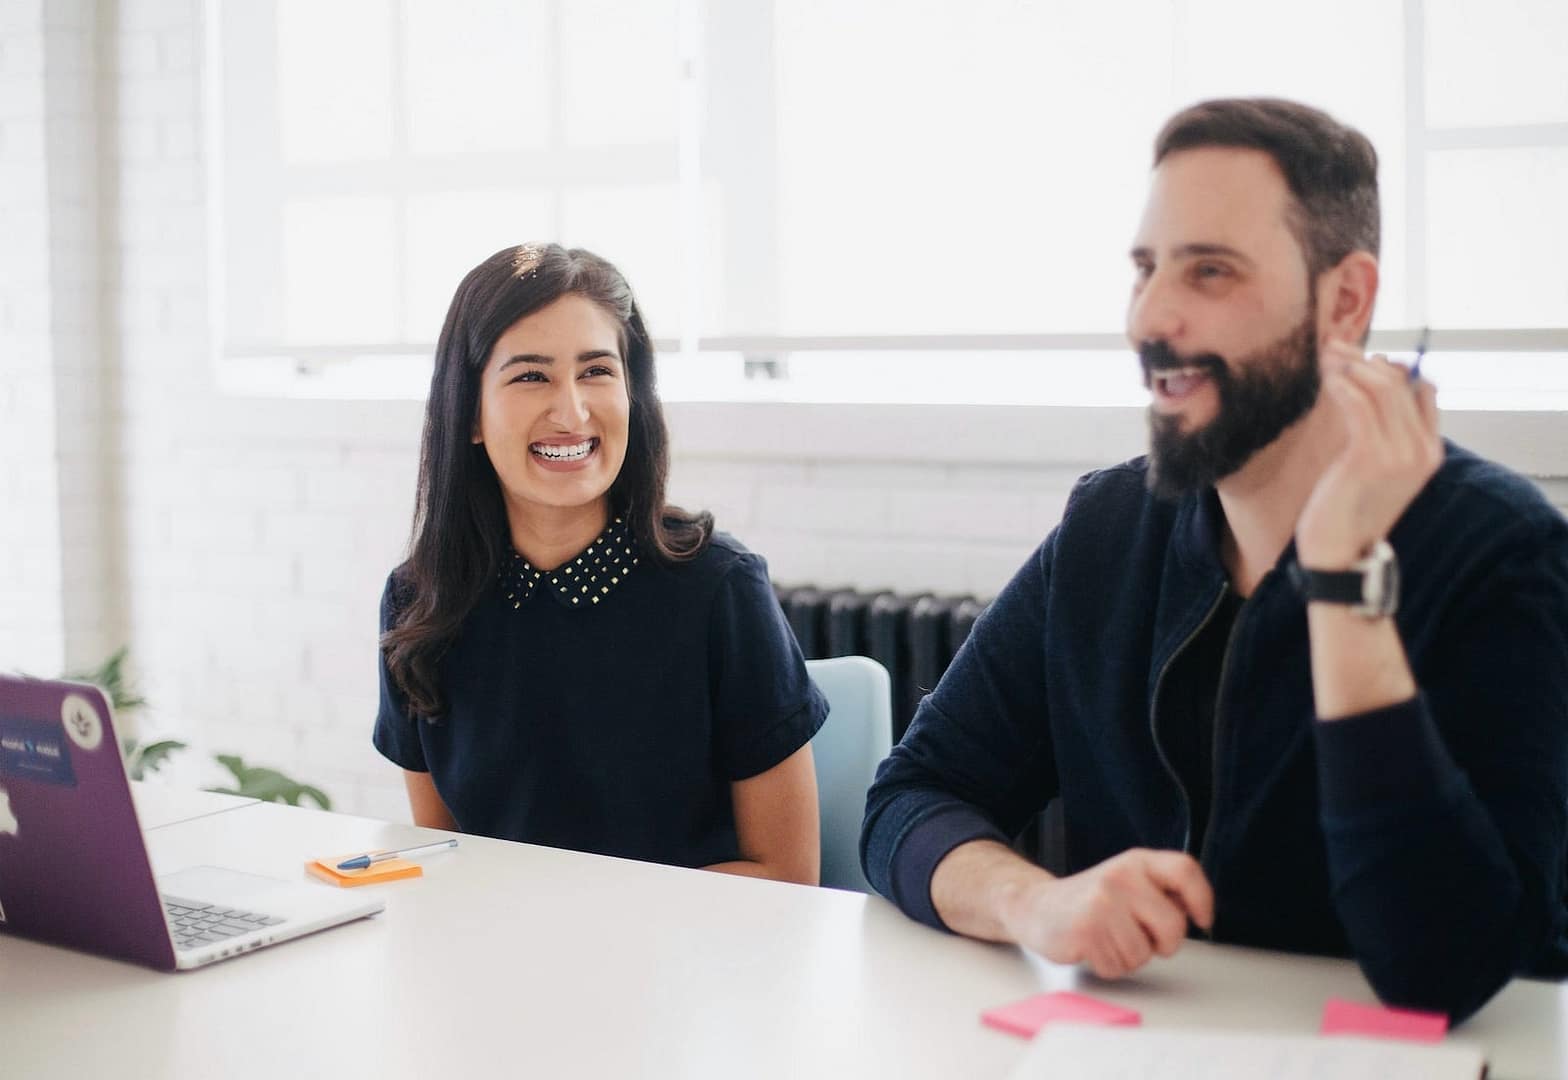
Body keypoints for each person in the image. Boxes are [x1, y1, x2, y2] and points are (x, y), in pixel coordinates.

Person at [861, 98, 1568, 1021]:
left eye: (1211, 272)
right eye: (1146, 269)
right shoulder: (1108, 528)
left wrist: (1347, 577)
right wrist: (1036, 901)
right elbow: (909, 799)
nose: (1151, 318)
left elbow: (1444, 970)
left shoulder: (1505, 554)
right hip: (1148, 1040)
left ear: (1345, 301)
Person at [375, 243, 825, 884]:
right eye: (531, 376)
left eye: (596, 372)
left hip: (694, 962)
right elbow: (447, 857)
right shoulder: (419, 600)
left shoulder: (719, 588)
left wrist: (581, 929)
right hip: (501, 960)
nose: (572, 411)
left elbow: (787, 874)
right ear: (470, 412)